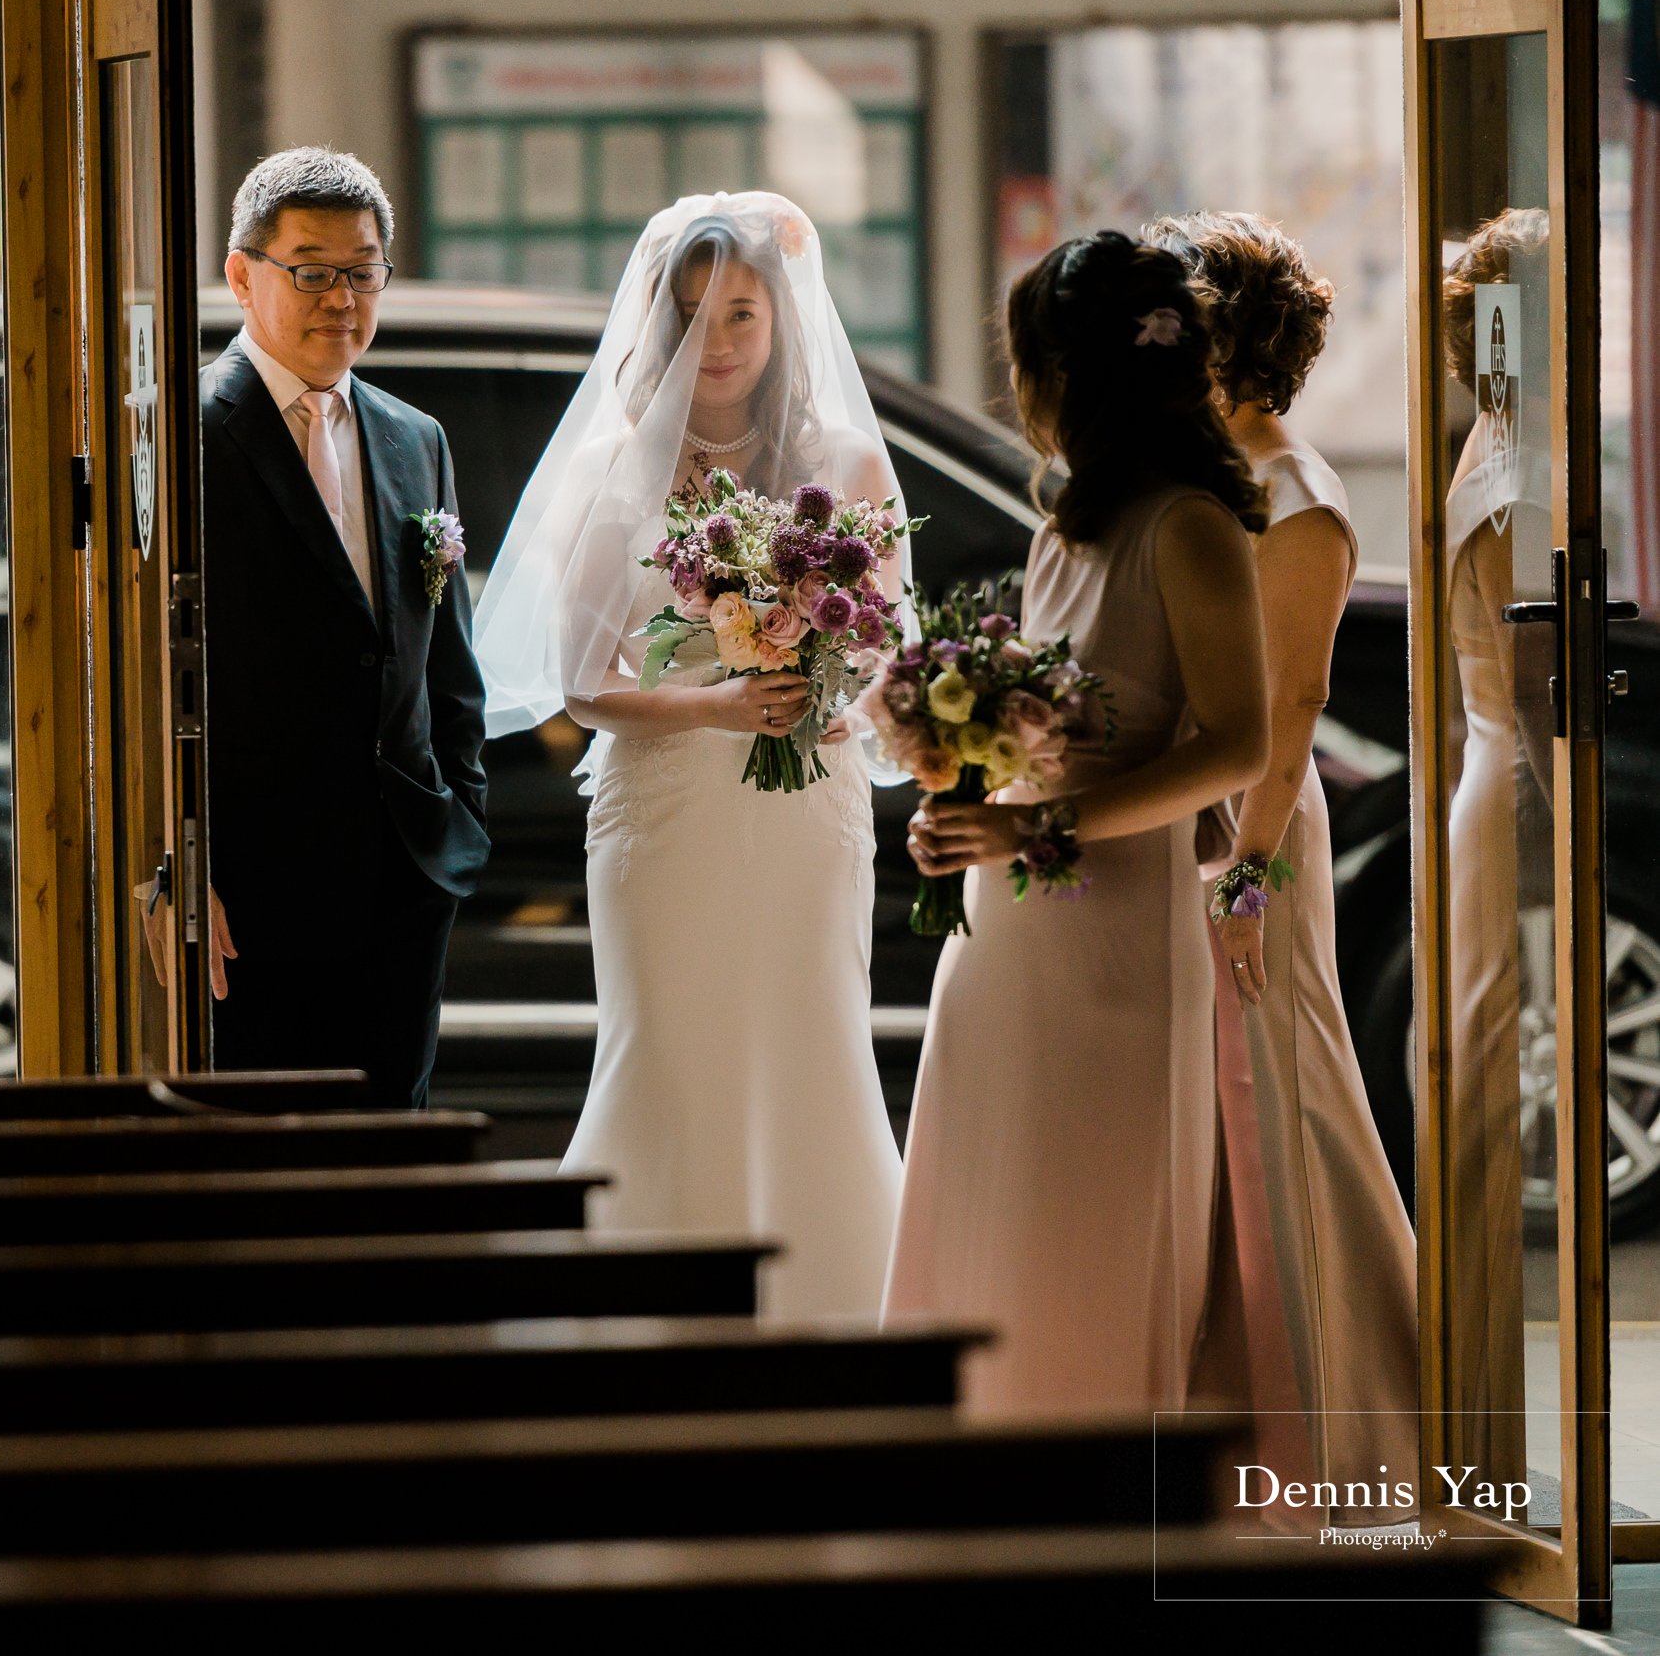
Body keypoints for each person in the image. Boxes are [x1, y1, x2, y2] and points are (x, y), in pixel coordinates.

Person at [473, 193, 913, 1320]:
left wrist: (836, 702)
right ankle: (643, 1317)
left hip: (803, 813)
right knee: (670, 1056)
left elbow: (883, 647)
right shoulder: (618, 461)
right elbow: (582, 681)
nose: (715, 344)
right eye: (691, 315)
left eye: (740, 315)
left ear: (782, 321)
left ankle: (833, 1312)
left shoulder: (845, 458)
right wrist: (717, 708)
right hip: (665, 812)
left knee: (810, 1052)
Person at [886, 230, 1271, 1412]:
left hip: (1114, 935)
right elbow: (1043, 722)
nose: (1025, 396)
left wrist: (1032, 834)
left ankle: (1101, 1466)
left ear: (1073, 377)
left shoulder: (1188, 527)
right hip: (1006, 932)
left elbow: (1235, 743)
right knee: (994, 1189)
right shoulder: (1069, 530)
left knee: (1097, 1212)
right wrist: (960, 788)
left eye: (1030, 368)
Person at [1143, 210, 1419, 1519]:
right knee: (1216, 1119)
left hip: (1256, 833)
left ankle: (1350, 1418)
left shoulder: (1298, 499)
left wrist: (1245, 877)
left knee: (1284, 1106)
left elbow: (1296, 695)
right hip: (1206, 819)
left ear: (1229, 347)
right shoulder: (1222, 482)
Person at [175, 147, 488, 1108]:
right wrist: (175, 863)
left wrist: (457, 814)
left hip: (402, 877)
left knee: (397, 1157)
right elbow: (140, 669)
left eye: (362, 271)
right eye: (311, 270)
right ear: (241, 275)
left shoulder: (413, 436)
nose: (341, 297)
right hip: (248, 895)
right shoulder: (180, 434)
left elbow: (448, 666)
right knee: (263, 1167)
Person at [1434, 206, 1558, 1481]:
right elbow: (1534, 674)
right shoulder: (1521, 460)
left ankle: (1474, 1414)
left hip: (1488, 773)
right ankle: (1475, 1425)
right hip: (1521, 785)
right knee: (1484, 1099)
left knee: (1480, 1088)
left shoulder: (1496, 439)